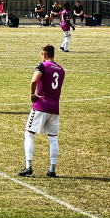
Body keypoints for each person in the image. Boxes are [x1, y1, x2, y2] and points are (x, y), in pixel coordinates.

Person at [19, 45, 65, 178]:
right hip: (55, 107)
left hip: (41, 105)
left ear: (44, 55)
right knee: (53, 138)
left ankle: (28, 166)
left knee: (29, 133)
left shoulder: (42, 66)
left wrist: (32, 94)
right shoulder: (61, 69)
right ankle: (52, 169)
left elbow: (34, 80)